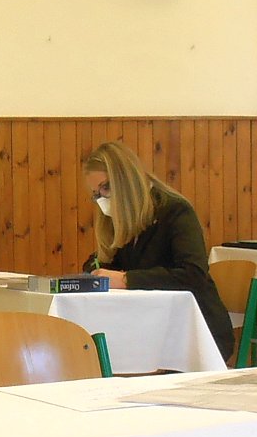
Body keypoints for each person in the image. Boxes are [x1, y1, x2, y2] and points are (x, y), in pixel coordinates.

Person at [83, 141, 235, 361]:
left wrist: (126, 280)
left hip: (195, 330)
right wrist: (95, 271)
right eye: (96, 194)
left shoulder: (175, 211)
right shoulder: (121, 221)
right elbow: (102, 261)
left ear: (126, 181)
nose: (102, 200)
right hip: (150, 327)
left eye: (105, 188)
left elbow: (192, 274)